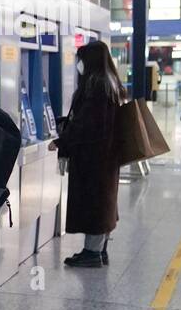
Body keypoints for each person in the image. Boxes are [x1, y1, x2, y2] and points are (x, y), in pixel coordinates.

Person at [51, 40, 125, 267]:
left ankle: (92, 253)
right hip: (105, 156)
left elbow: (87, 124)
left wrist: (62, 140)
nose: (79, 65)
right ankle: (100, 250)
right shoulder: (111, 82)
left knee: (95, 203)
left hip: (94, 157)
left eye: (82, 60)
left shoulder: (97, 86)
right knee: (104, 201)